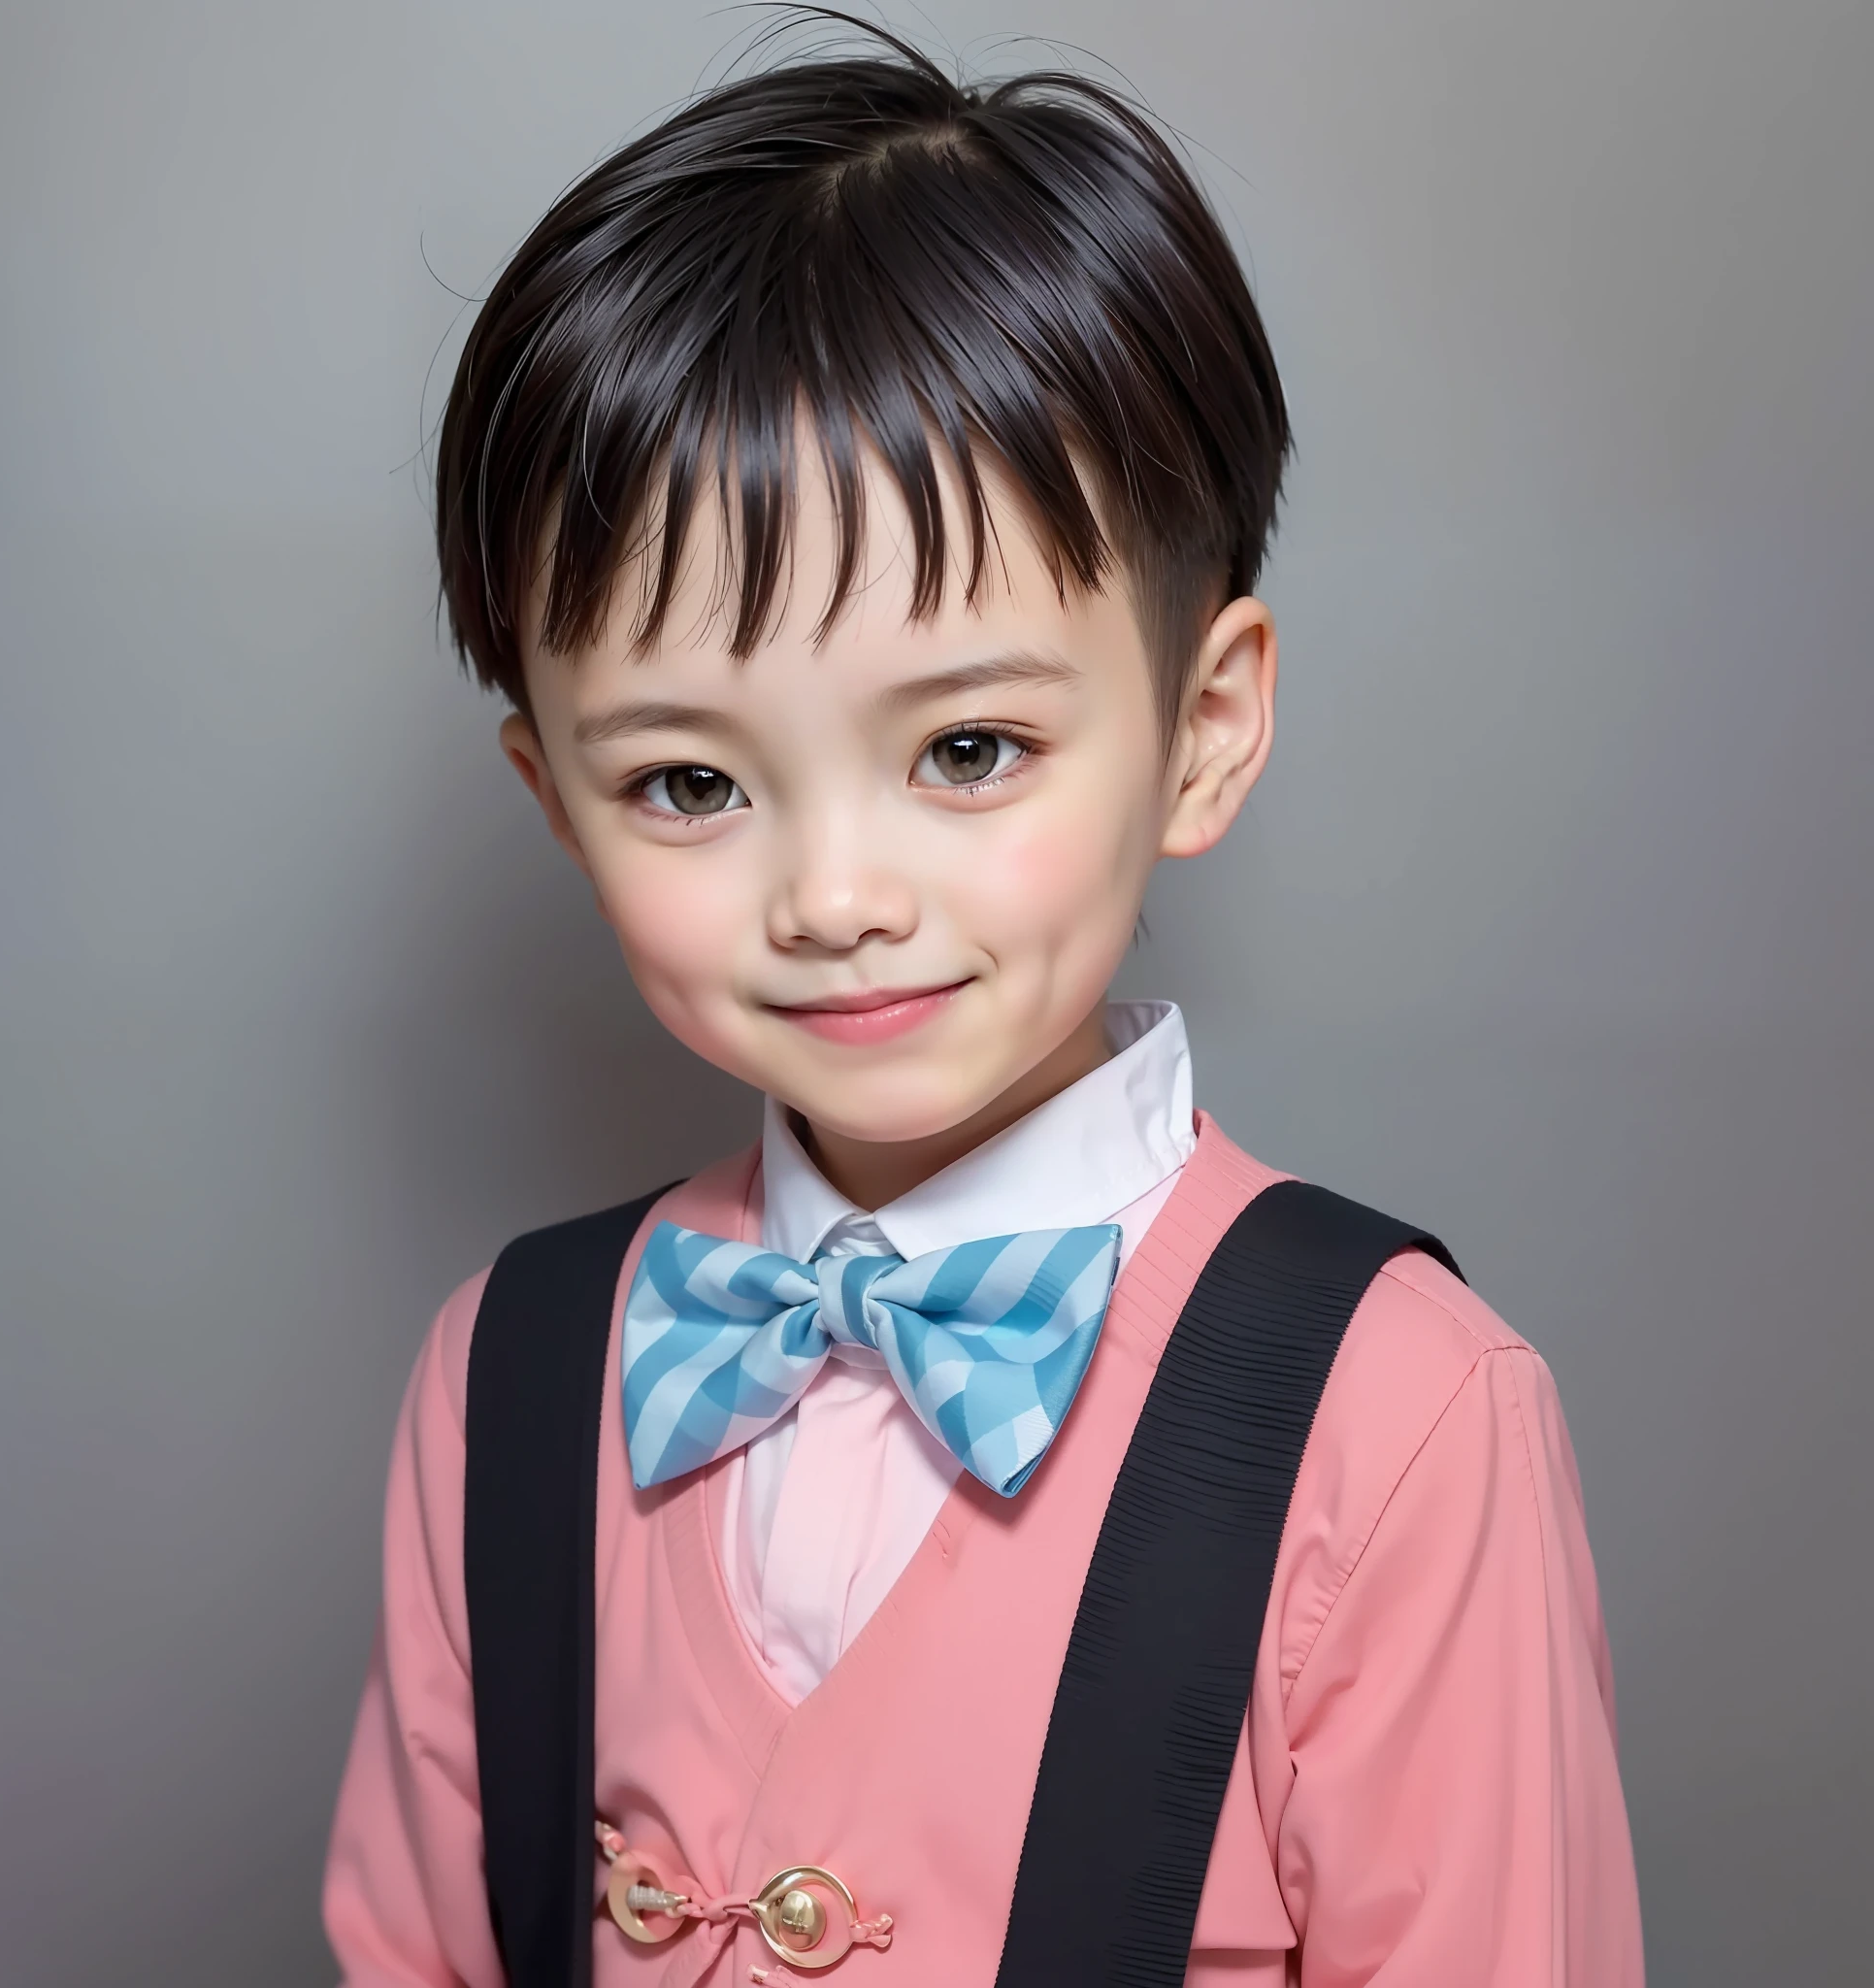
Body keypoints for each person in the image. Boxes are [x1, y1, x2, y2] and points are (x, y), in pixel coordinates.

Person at [322, 25, 1642, 1987]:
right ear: (558, 804)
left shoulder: (1400, 1415)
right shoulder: (504, 1377)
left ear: (1202, 730)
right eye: (688, 781)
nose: (835, 897)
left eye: (966, 747)